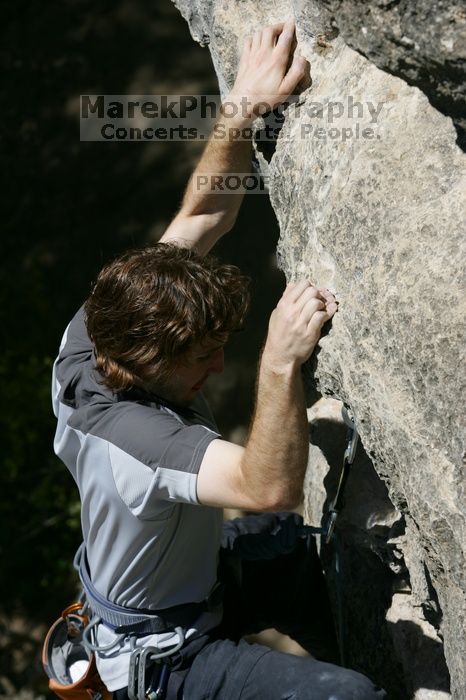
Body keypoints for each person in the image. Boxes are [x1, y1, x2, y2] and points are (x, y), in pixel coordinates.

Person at [52, 20, 386, 699]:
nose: (216, 371)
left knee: (288, 550)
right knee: (351, 697)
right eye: (201, 360)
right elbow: (268, 487)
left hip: (182, 584)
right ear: (146, 363)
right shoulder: (142, 444)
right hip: (165, 660)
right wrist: (278, 361)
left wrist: (241, 107)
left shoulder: (95, 333)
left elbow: (205, 216)